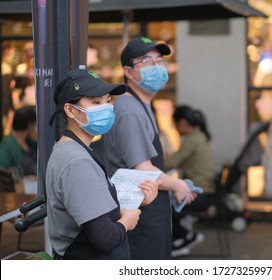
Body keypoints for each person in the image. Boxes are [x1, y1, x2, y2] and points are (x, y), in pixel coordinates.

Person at [45, 68, 159, 260]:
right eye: (96, 102)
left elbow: (92, 207)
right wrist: (127, 221)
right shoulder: (77, 162)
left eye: (107, 101)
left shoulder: (71, 149)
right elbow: (104, 237)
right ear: (70, 110)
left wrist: (131, 202)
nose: (105, 108)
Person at [103, 37, 196, 260]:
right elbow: (142, 168)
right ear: (128, 71)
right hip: (140, 214)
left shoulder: (142, 104)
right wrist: (177, 185)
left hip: (152, 210)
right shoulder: (128, 109)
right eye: (147, 61)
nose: (156, 67)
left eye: (159, 61)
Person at [164, 105, 215, 257]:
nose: (175, 129)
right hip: (207, 191)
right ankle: (183, 237)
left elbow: (171, 163)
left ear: (183, 123)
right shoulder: (200, 136)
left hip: (199, 194)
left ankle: (185, 236)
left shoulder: (191, 140)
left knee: (163, 207)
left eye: (175, 125)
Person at [0, 105, 37, 184]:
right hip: (17, 194)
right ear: (30, 124)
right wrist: (22, 178)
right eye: (34, 124)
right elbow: (2, 171)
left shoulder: (31, 143)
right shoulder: (7, 146)